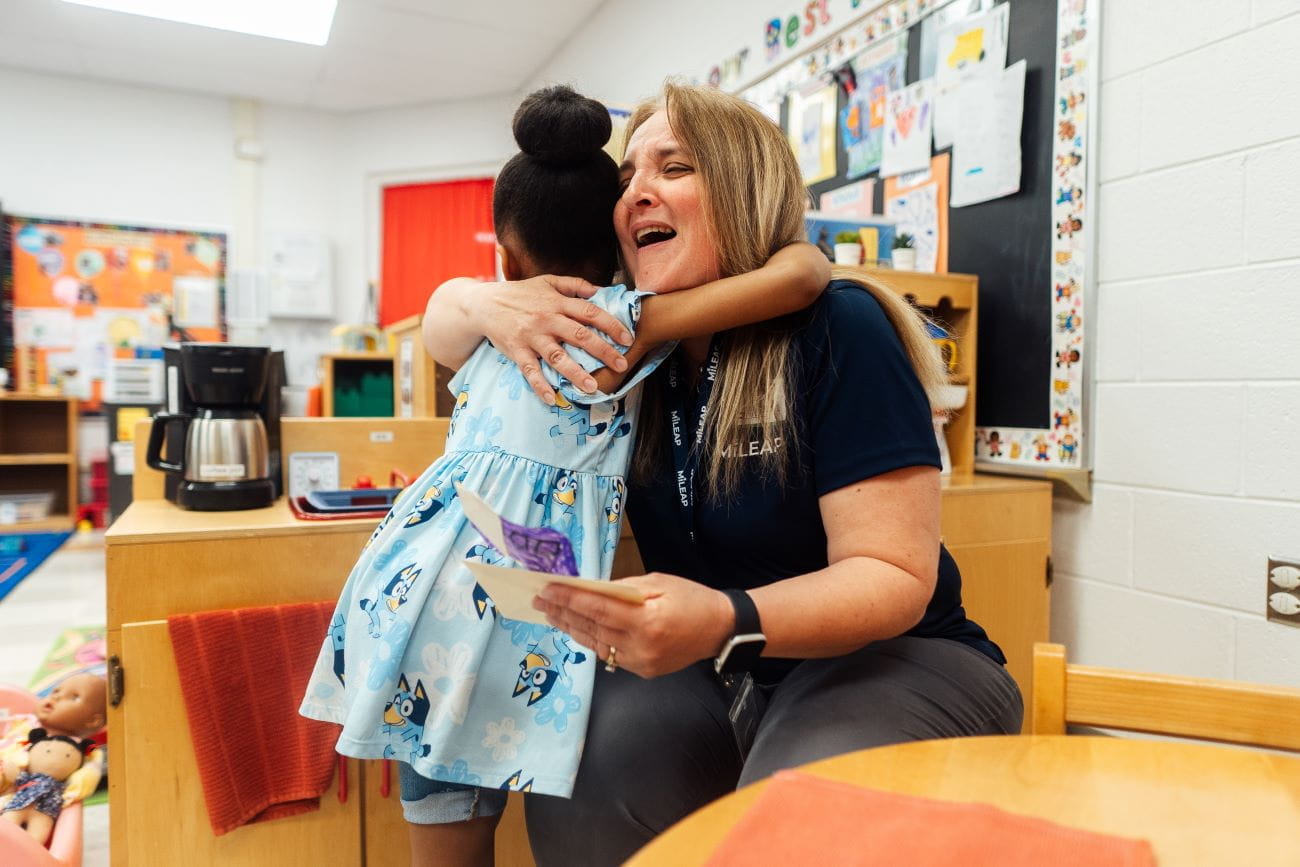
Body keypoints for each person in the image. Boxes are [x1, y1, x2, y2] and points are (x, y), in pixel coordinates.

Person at [423, 82, 1024, 866]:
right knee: (581, 759)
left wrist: (722, 615)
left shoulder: (838, 327)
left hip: (897, 656)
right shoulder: (630, 350)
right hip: (724, 664)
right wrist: (480, 299)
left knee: (794, 819)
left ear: (742, 189)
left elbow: (891, 575)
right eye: (627, 177)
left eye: (674, 167)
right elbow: (443, 332)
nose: (638, 190)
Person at [299, 85, 829, 867]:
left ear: (506, 255)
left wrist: (480, 294)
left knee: (442, 814)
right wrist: (798, 253)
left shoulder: (493, 327)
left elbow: (440, 319)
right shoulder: (613, 321)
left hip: (415, 585)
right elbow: (798, 280)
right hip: (508, 601)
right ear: (616, 248)